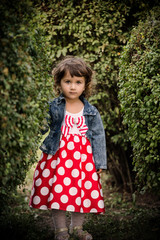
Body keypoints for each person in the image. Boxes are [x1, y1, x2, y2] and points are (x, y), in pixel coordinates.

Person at [29, 56, 107, 240]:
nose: (73, 87)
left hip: (83, 161)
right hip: (58, 157)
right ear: (59, 83)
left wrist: (100, 162)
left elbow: (98, 136)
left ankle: (77, 228)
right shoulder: (53, 106)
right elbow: (41, 126)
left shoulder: (91, 111)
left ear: (85, 84)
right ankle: (61, 230)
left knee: (80, 192)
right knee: (58, 191)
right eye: (68, 81)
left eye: (78, 82)